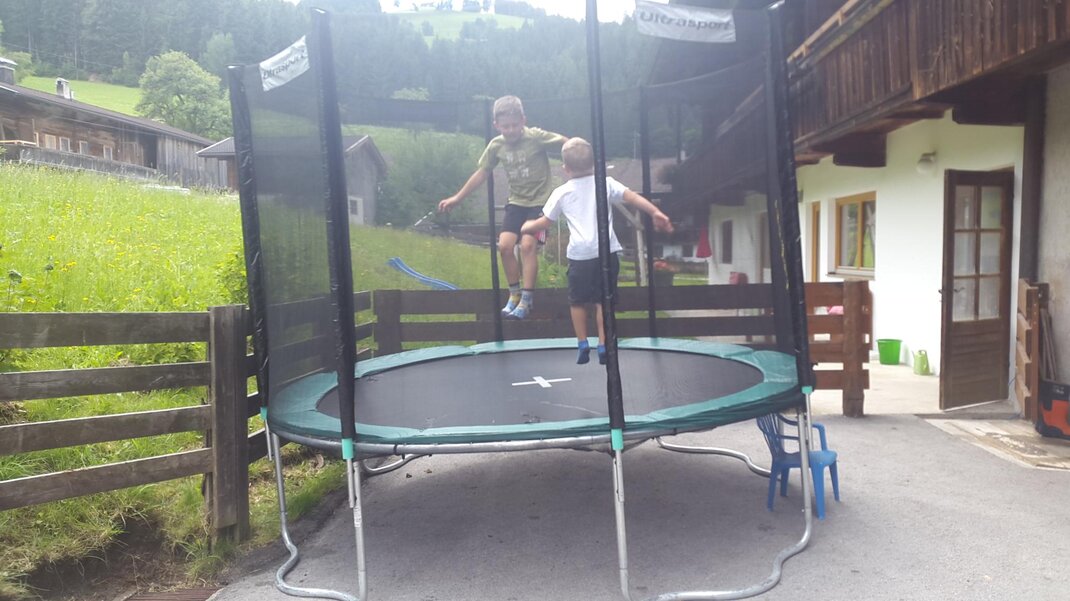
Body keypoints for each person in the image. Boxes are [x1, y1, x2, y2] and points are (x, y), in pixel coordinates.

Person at [521, 137, 673, 364]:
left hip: (580, 255)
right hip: (606, 252)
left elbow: (545, 222)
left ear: (565, 168)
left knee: (577, 301)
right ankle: (603, 342)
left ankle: (582, 342)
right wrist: (655, 212)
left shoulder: (562, 192)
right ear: (593, 164)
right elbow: (632, 197)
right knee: (604, 301)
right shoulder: (605, 183)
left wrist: (527, 226)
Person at [438, 95, 567, 320]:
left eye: (515, 125)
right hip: (516, 203)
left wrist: (577, 160)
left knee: (527, 246)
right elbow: (482, 173)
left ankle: (527, 298)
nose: (511, 130)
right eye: (506, 126)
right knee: (505, 247)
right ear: (496, 125)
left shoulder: (536, 136)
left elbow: (567, 142)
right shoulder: (496, 145)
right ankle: (514, 294)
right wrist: (457, 198)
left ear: (523, 120)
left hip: (540, 204)